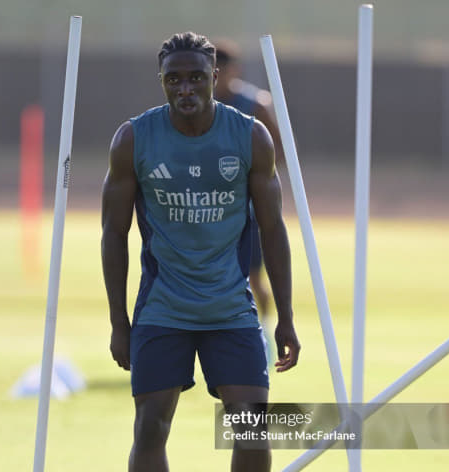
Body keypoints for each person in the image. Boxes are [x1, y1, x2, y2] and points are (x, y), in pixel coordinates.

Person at [101, 32, 300, 472]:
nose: (185, 88)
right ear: (161, 81)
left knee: (251, 428)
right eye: (174, 79)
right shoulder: (133, 138)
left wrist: (285, 316)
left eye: (196, 77)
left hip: (229, 307)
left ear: (215, 76)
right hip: (162, 308)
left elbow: (273, 228)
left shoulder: (250, 135)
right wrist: (119, 322)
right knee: (150, 428)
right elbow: (113, 233)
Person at [214, 40, 284, 359]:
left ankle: (264, 335)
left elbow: (279, 151)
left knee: (254, 277)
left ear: (234, 70)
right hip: (210, 208)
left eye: (221, 70)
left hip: (248, 208)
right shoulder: (197, 106)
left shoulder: (255, 104)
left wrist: (249, 172)